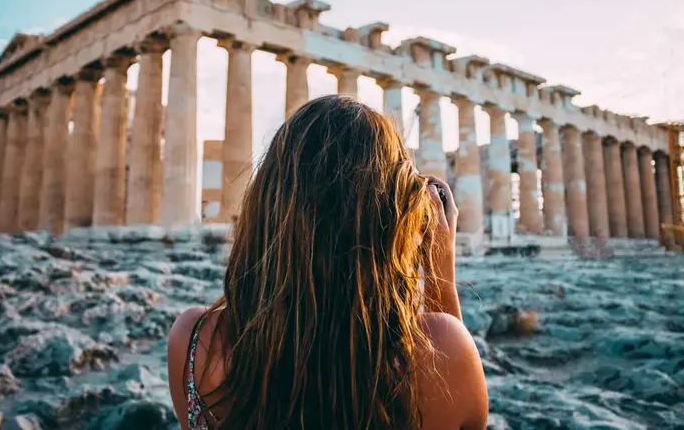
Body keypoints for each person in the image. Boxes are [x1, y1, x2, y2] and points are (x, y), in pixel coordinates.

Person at [167, 95, 488, 430]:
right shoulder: (444, 347)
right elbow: (457, 405)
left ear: (266, 201)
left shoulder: (193, 340)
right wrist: (438, 268)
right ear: (392, 218)